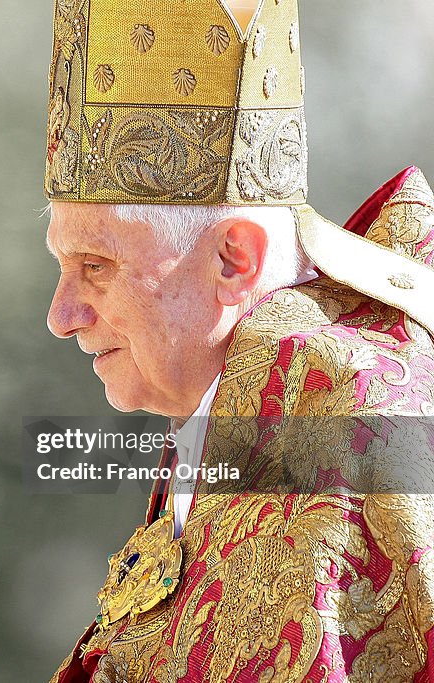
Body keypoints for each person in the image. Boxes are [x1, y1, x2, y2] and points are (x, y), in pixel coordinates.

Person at [42, 1, 434, 681]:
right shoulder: (230, 393)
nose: (62, 314)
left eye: (95, 267)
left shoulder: (335, 412)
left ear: (233, 261)